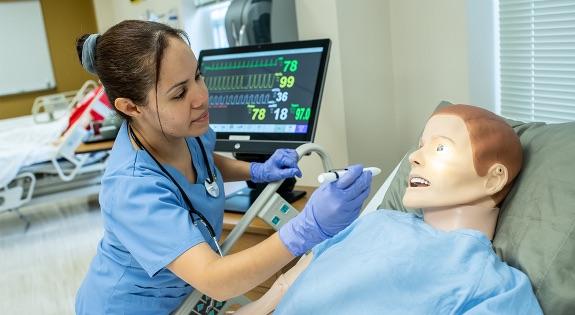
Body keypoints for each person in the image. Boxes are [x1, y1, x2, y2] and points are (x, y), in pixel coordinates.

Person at [74, 20, 372, 314]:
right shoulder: (132, 189)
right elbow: (215, 279)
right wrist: (308, 228)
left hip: (185, 294)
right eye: (179, 93)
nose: (201, 98)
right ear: (130, 107)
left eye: (198, 77)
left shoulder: (184, 128)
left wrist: (256, 171)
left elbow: (204, 160)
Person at [235, 104, 543, 314]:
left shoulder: (495, 286)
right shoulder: (376, 221)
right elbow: (286, 285)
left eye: (439, 148)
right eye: (421, 145)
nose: (415, 157)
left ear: (494, 178)